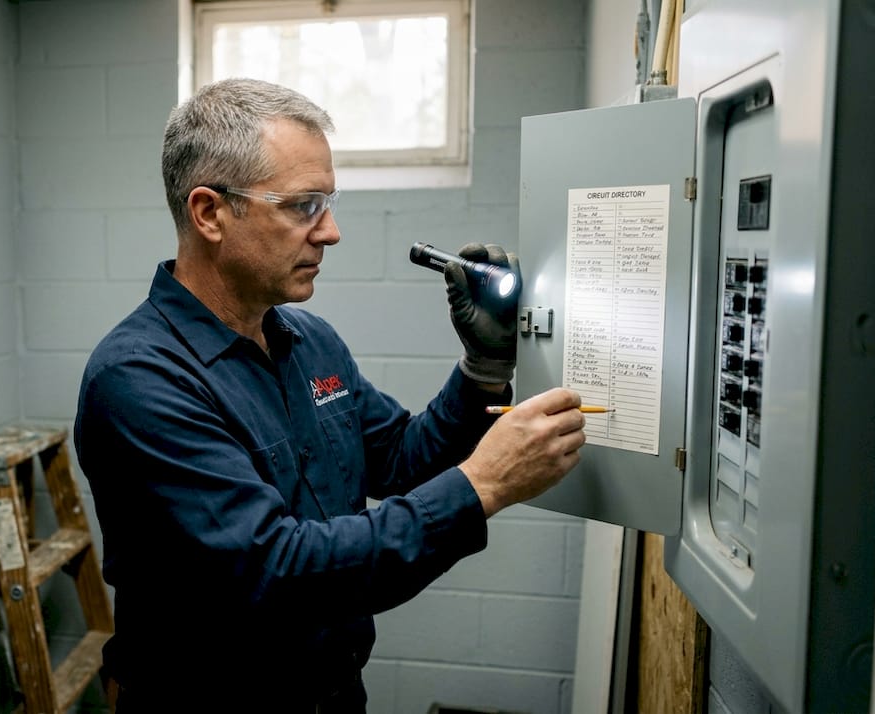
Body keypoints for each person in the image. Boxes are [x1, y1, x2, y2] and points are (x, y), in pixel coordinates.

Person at [73, 77, 587, 713]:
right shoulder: (140, 380)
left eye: (329, 202)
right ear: (209, 212)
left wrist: (483, 367)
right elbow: (276, 571)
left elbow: (400, 458)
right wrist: (483, 487)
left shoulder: (309, 340)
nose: (331, 231)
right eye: (303, 206)